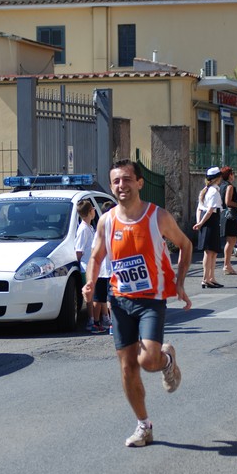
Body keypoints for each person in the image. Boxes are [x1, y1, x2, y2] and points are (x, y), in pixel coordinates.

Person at [82, 159, 192, 447]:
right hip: (120, 302)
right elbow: (95, 256)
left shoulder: (158, 217)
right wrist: (91, 282)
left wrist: (179, 283)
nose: (121, 185)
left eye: (127, 179)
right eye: (116, 181)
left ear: (139, 183)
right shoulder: (107, 221)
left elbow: (185, 245)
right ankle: (144, 426)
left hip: (151, 301)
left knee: (148, 361)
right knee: (128, 367)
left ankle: (166, 360)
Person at [193, 166, 224, 288]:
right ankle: (206, 278)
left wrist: (199, 222)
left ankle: (211, 278)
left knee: (213, 252)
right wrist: (200, 223)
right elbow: (210, 210)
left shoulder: (205, 190)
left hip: (207, 222)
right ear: (217, 178)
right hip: (210, 222)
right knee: (209, 252)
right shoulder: (213, 191)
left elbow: (199, 209)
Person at [92, 201, 116, 332]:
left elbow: (93, 251)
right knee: (110, 298)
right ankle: (112, 324)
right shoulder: (116, 228)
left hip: (101, 270)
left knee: (98, 298)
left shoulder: (99, 230)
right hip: (112, 270)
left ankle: (95, 323)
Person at [75, 199, 97, 332]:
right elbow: (79, 250)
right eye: (93, 209)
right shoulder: (83, 229)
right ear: (90, 212)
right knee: (90, 296)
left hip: (92, 266)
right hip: (86, 267)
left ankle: (95, 318)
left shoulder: (90, 227)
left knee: (94, 294)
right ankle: (91, 320)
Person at [219, 166, 237, 275]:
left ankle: (227, 265)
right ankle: (226, 265)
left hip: (224, 215)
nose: (234, 175)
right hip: (230, 216)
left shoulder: (221, 186)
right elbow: (228, 202)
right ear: (230, 175)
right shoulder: (229, 187)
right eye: (233, 173)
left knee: (231, 240)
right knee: (231, 240)